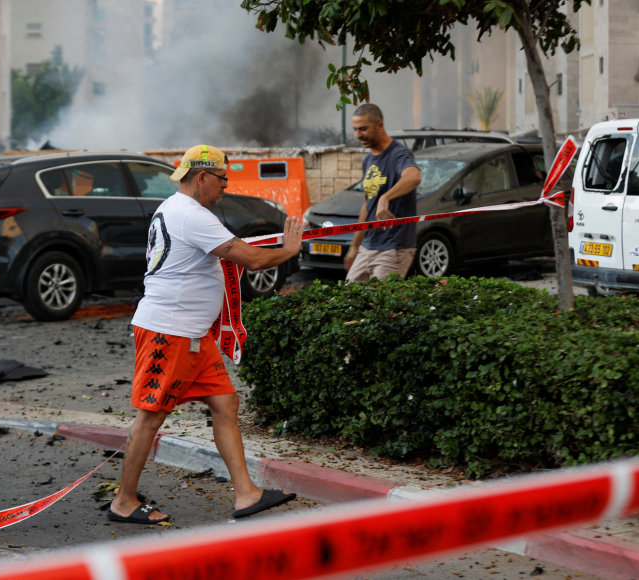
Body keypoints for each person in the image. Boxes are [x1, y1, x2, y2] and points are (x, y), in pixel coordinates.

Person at [109, 144, 302, 524]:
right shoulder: (190, 214)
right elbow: (253, 259)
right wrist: (289, 248)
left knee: (225, 404)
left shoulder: (174, 208)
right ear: (202, 177)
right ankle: (124, 502)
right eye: (223, 179)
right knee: (150, 417)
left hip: (194, 335)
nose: (225, 187)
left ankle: (247, 495)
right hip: (170, 332)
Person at [344, 103, 423, 282]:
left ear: (380, 125)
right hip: (368, 246)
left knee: (381, 305)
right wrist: (355, 246)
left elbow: (414, 177)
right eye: (355, 129)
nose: (358, 135)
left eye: (363, 129)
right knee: (349, 302)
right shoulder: (368, 160)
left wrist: (386, 197)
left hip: (394, 247)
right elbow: (367, 204)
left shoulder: (398, 154)